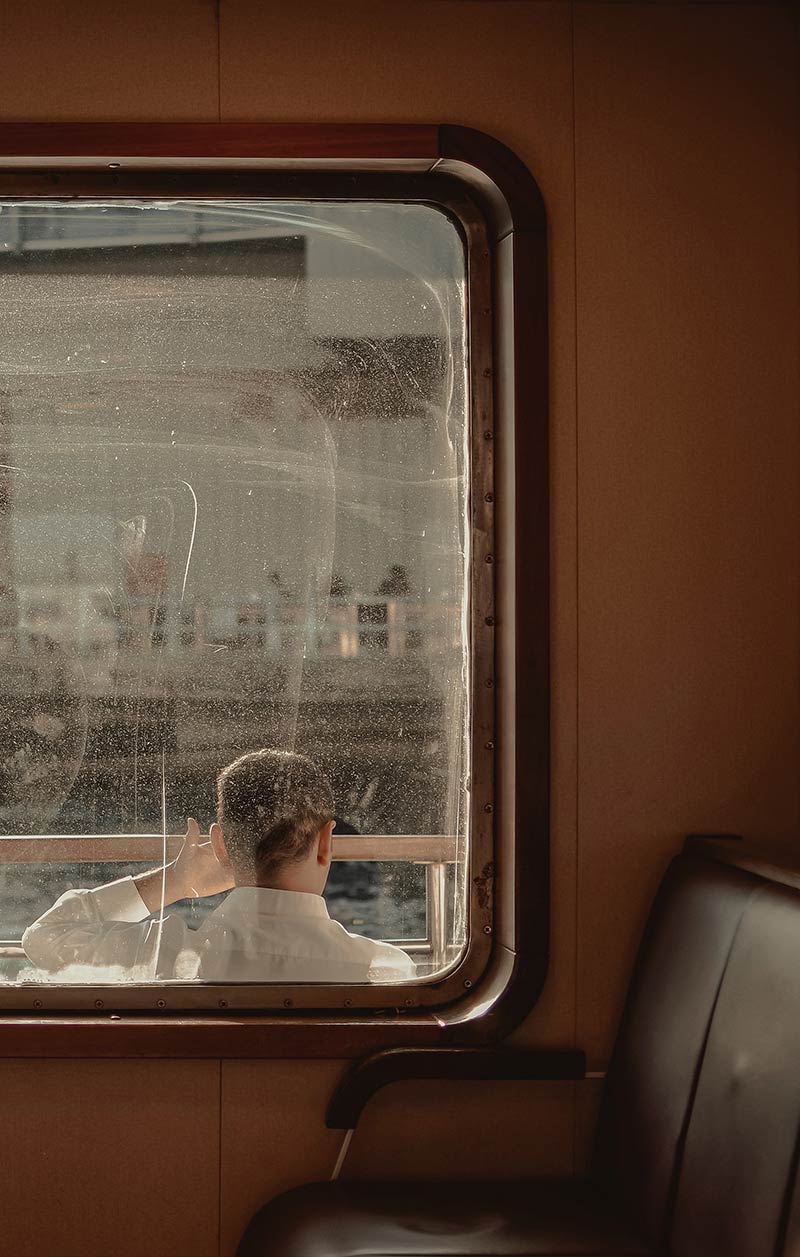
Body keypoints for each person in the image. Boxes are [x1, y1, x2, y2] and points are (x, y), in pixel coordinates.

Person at [22, 749, 416, 984]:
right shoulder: (385, 969)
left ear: (220, 844)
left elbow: (44, 936)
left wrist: (175, 881)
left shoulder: (170, 957)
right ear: (326, 843)